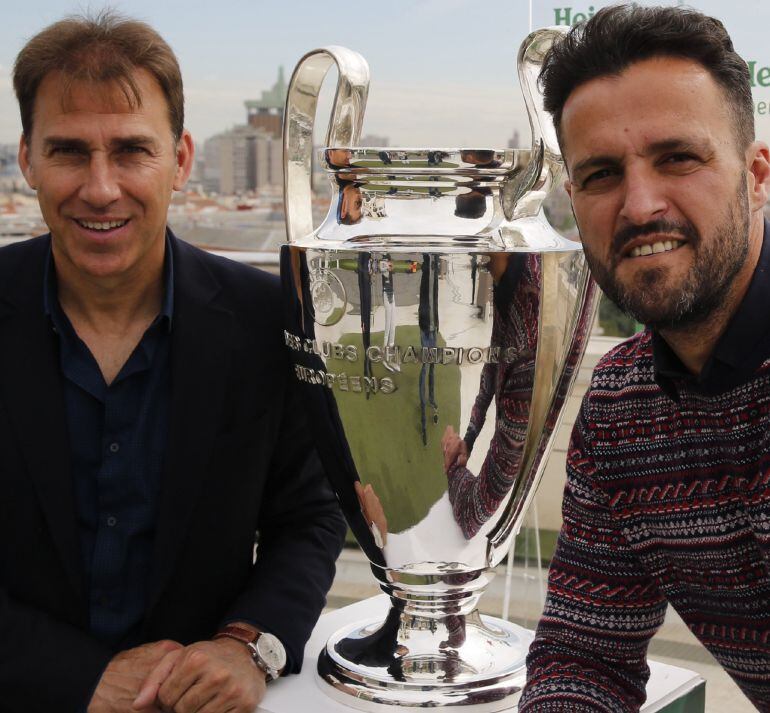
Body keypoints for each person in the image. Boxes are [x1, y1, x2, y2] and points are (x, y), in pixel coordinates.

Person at [1, 12, 346, 713]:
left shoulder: (269, 318)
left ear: (180, 160)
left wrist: (248, 643)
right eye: (69, 151)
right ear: (28, 158)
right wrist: (77, 675)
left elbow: (309, 516)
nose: (101, 188)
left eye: (131, 150)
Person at [517, 4, 770, 711]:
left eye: (677, 158)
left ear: (756, 175)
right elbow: (585, 652)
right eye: (601, 174)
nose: (638, 204)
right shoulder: (620, 407)